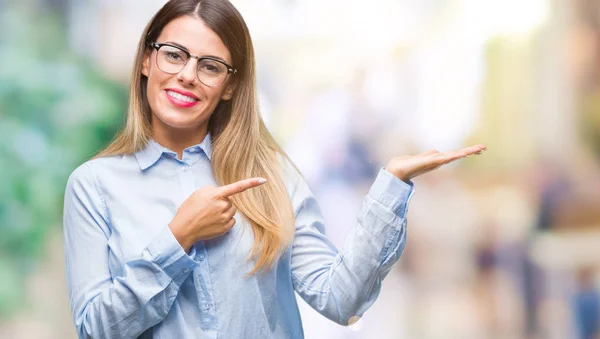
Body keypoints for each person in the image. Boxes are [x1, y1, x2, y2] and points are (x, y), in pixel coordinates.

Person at [62, 0, 486, 338]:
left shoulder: (272, 176)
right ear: (146, 62)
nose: (188, 75)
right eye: (174, 55)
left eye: (210, 66)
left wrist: (392, 184)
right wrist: (179, 237)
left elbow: (340, 300)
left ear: (230, 85)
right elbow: (97, 329)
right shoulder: (94, 186)